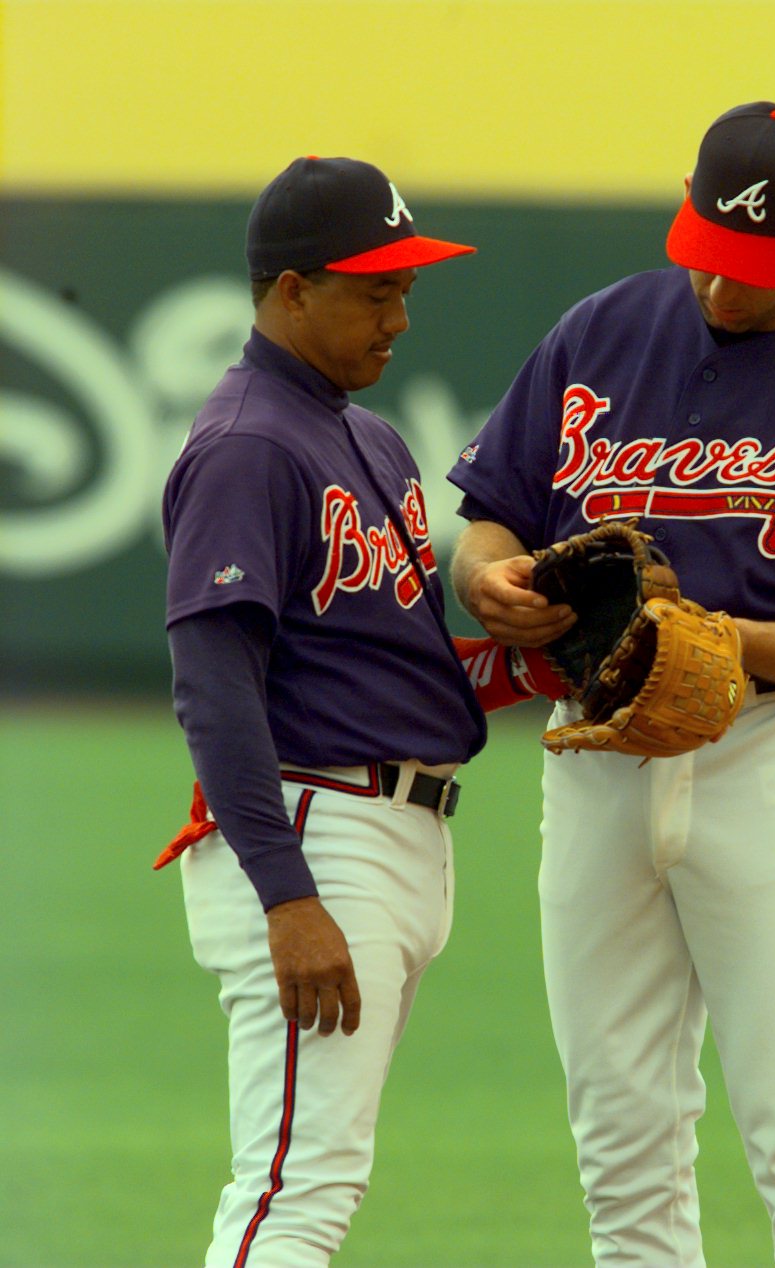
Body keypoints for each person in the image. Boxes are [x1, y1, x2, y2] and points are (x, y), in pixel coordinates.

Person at [447, 103, 775, 1266]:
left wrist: (730, 636)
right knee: (621, 1141)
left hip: (768, 762)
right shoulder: (598, 332)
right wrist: (490, 579)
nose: (722, 288)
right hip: (593, 760)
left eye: (754, 265)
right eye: (707, 253)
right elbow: (487, 518)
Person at [157, 156, 495, 1267]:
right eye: (373, 289)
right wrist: (288, 895)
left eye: (406, 287)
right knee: (293, 1197)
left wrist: (537, 653)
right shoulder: (251, 441)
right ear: (292, 290)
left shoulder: (364, 435)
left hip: (386, 831)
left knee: (309, 1183)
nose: (399, 315)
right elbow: (214, 681)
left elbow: (385, 663)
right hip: (317, 834)